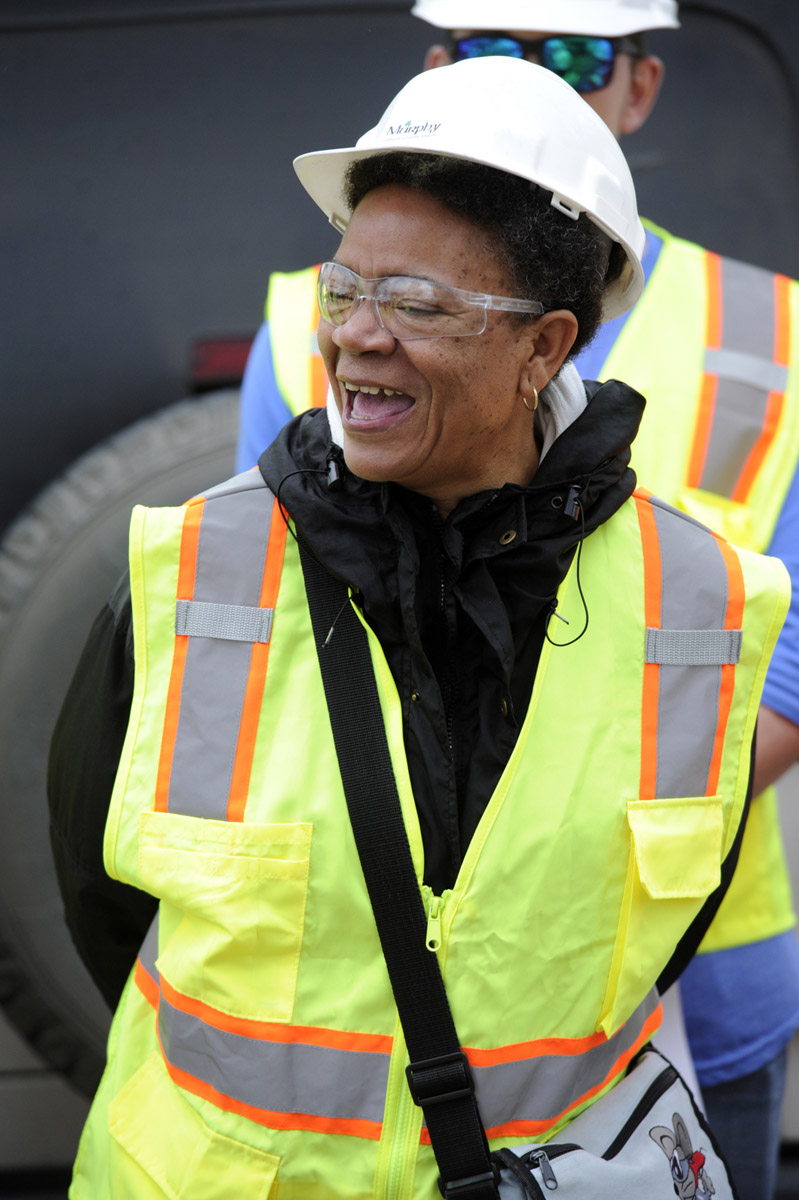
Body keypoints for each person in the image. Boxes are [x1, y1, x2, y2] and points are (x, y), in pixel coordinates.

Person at [48, 55, 788, 1197]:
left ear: (544, 346)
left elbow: (665, 923)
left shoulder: (697, 604)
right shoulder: (195, 572)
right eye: (346, 291)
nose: (356, 338)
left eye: (418, 304)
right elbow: (103, 907)